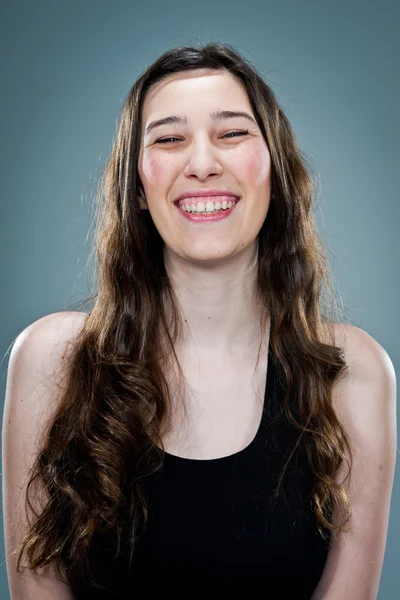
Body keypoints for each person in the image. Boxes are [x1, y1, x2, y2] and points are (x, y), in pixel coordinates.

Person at [3, 42, 396, 600]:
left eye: (233, 133)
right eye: (168, 138)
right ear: (137, 187)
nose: (203, 162)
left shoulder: (353, 374)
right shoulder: (53, 360)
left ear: (275, 170)